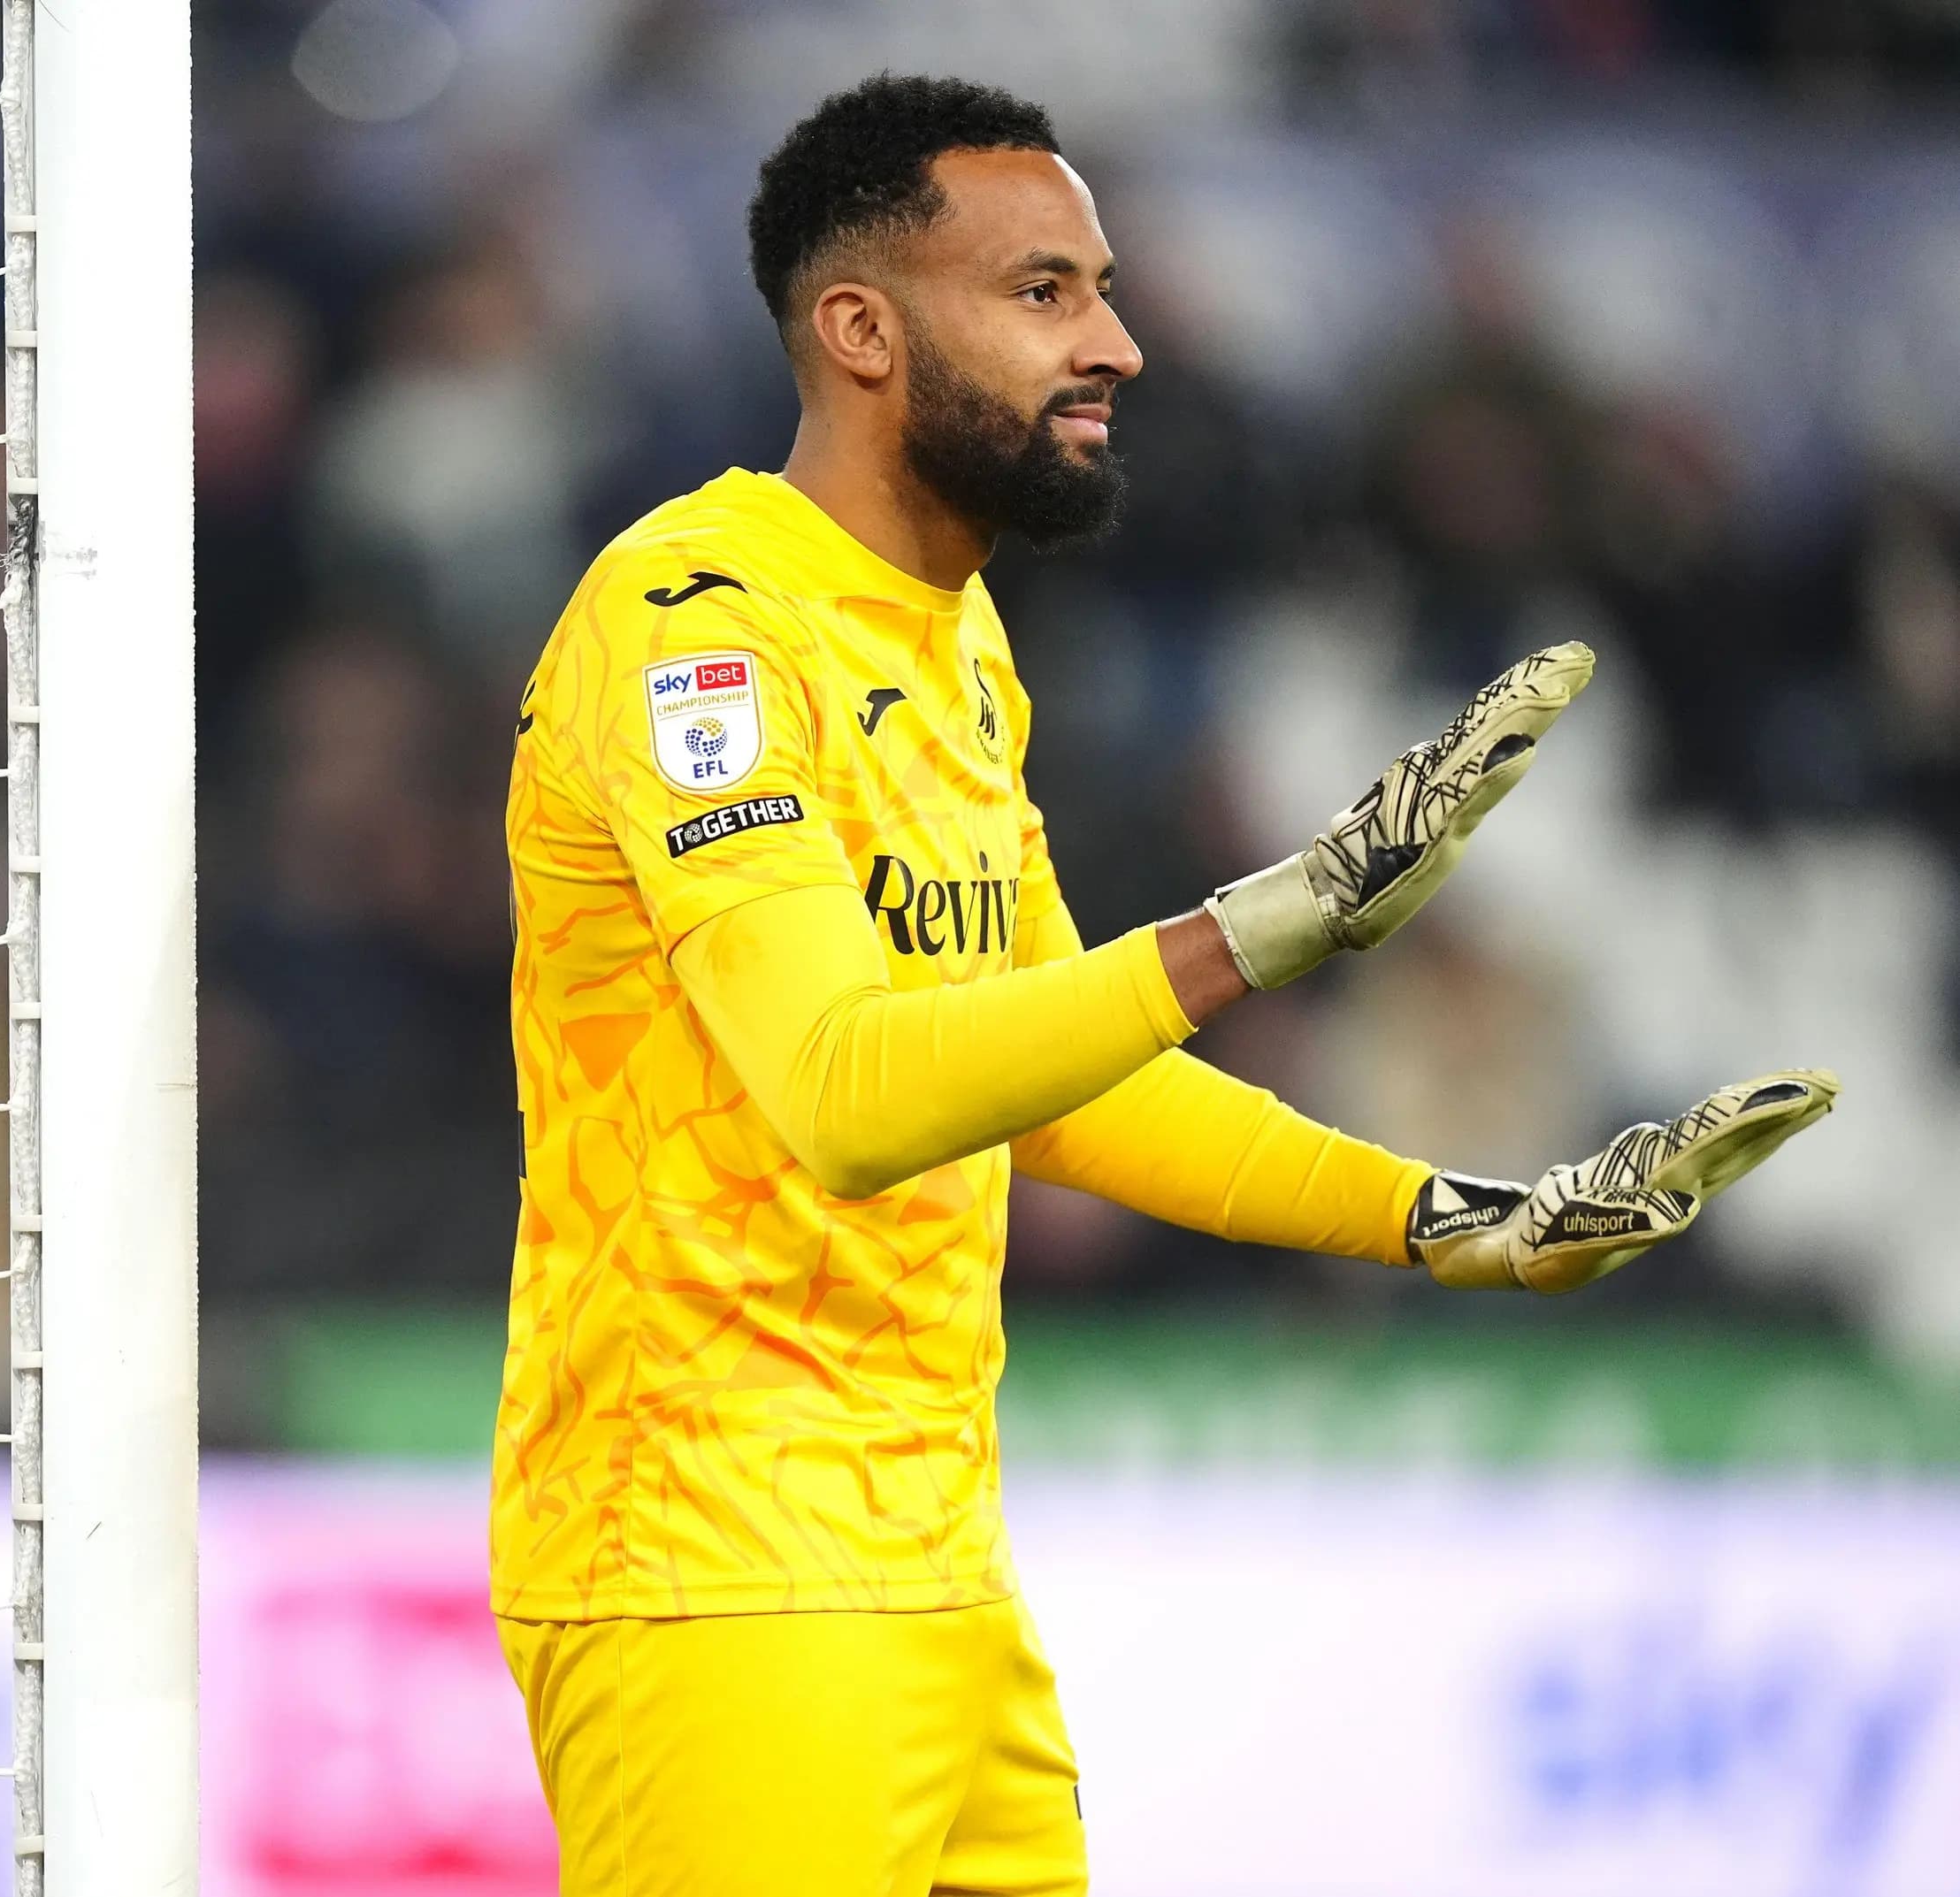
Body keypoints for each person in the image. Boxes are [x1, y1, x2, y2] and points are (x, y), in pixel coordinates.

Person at [491, 74, 1836, 1897]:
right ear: (861, 329)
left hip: (934, 1563)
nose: (1113, 339)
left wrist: (1442, 1217)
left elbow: (1057, 1073)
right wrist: (1248, 931)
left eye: (1102, 286)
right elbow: (846, 1089)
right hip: (718, 1560)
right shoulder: (698, 630)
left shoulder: (956, 638)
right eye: (1043, 291)